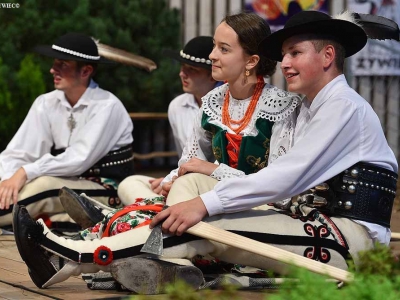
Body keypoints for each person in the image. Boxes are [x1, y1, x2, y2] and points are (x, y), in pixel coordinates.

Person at [14, 10, 397, 294]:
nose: (285, 64)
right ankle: (76, 254)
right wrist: (203, 197)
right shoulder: (316, 105)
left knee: (205, 225)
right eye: (285, 54)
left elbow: (286, 177)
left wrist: (207, 203)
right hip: (315, 225)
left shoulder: (343, 107)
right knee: (195, 217)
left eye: (295, 53)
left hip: (349, 242)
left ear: (328, 56)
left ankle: (74, 252)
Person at [0, 33, 134, 228]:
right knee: (22, 180)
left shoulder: (107, 105)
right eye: (55, 63)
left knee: (42, 186)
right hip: (65, 180)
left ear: (86, 71)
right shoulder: (46, 103)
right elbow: (20, 152)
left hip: (104, 188)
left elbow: (79, 159)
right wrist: (8, 180)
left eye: (62, 64)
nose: (52, 70)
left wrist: (25, 172)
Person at [115, 36, 219, 205]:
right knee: (131, 183)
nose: (182, 74)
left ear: (212, 76)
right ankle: (155, 209)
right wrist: (171, 179)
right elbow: (185, 158)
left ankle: (151, 211)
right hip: (184, 180)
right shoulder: (177, 106)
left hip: (213, 186)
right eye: (182, 67)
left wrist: (178, 181)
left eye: (192, 69)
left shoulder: (227, 105)